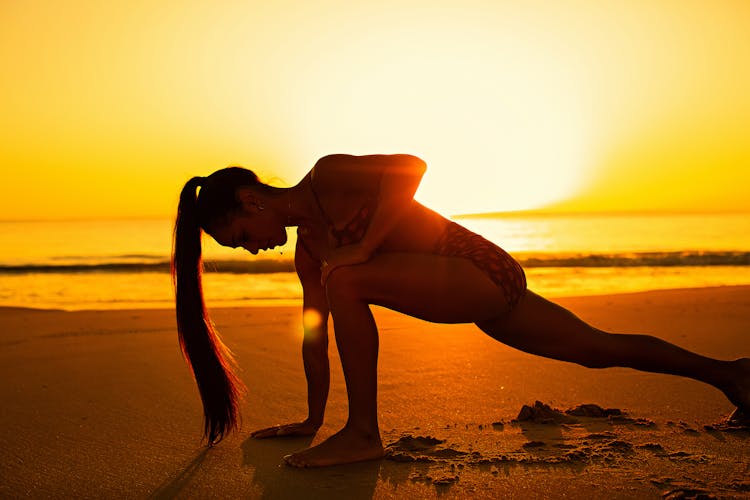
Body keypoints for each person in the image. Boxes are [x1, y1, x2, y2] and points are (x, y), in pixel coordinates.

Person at [172, 153, 749, 468]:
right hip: (471, 296)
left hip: (479, 268)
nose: (251, 247)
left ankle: (365, 433)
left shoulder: (327, 179)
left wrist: (365, 247)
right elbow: (315, 335)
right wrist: (309, 419)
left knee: (346, 278)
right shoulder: (311, 254)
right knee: (597, 349)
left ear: (250, 201)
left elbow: (409, 169)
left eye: (241, 235)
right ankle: (732, 375)